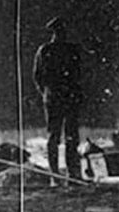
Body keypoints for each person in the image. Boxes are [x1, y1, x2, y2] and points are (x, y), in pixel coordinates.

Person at [33, 15, 86, 181]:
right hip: (66, 97)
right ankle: (70, 173)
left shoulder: (45, 50)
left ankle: (56, 175)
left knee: (55, 136)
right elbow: (78, 75)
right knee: (68, 136)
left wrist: (46, 92)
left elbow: (38, 77)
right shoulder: (71, 50)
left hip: (55, 97)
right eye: (60, 31)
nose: (62, 33)